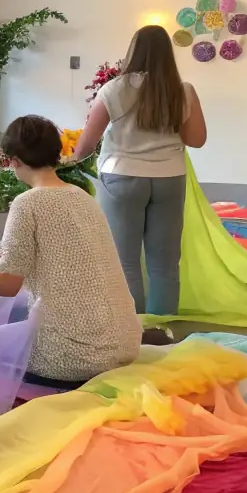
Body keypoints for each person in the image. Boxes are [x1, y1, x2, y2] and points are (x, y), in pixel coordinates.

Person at [0, 115, 142, 388]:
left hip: (75, 357)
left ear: (13, 160)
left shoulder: (28, 203)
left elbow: (7, 284)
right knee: (14, 323)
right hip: (125, 341)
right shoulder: (82, 196)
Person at [71, 24, 208, 316]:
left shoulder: (115, 89)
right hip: (170, 179)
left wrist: (67, 159)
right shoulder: (183, 91)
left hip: (121, 178)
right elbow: (196, 140)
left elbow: (86, 144)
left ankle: (133, 333)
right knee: (165, 263)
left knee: (125, 261)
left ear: (134, 51)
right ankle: (162, 333)